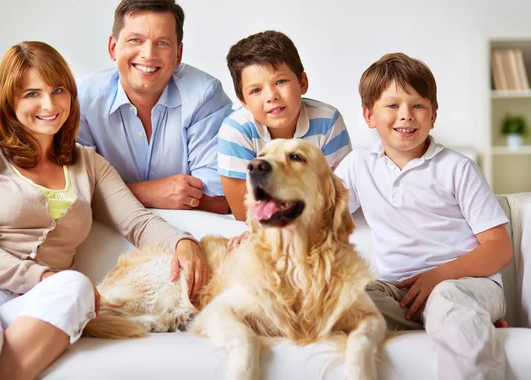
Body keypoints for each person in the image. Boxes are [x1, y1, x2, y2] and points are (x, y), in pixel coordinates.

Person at [0, 41, 208, 379]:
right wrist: (43, 276)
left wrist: (184, 242)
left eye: (57, 90)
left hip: (31, 298)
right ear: (9, 100)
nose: (49, 104)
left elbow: (136, 221)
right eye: (32, 93)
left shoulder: (87, 163)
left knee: (75, 286)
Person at [335, 52, 513, 380]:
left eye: (418, 105)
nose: (406, 115)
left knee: (448, 300)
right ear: (368, 115)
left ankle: (468, 320)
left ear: (433, 116)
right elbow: (321, 216)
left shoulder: (457, 168)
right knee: (346, 297)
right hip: (402, 293)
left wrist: (439, 276)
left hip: (466, 284)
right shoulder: (358, 165)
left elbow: (499, 249)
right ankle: (470, 325)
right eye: (392, 105)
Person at [77, 0, 232, 214]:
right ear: (113, 47)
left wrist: (111, 192)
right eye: (135, 40)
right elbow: (74, 192)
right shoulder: (81, 99)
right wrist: (150, 192)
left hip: (193, 230)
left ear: (178, 54)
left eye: (162, 43)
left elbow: (219, 198)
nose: (148, 54)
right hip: (109, 232)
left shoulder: (204, 95)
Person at [218, 30, 351, 222]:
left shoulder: (328, 121)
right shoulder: (236, 130)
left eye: (280, 81)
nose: (271, 96)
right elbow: (245, 214)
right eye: (256, 90)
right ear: (243, 101)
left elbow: (337, 198)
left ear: (302, 82)